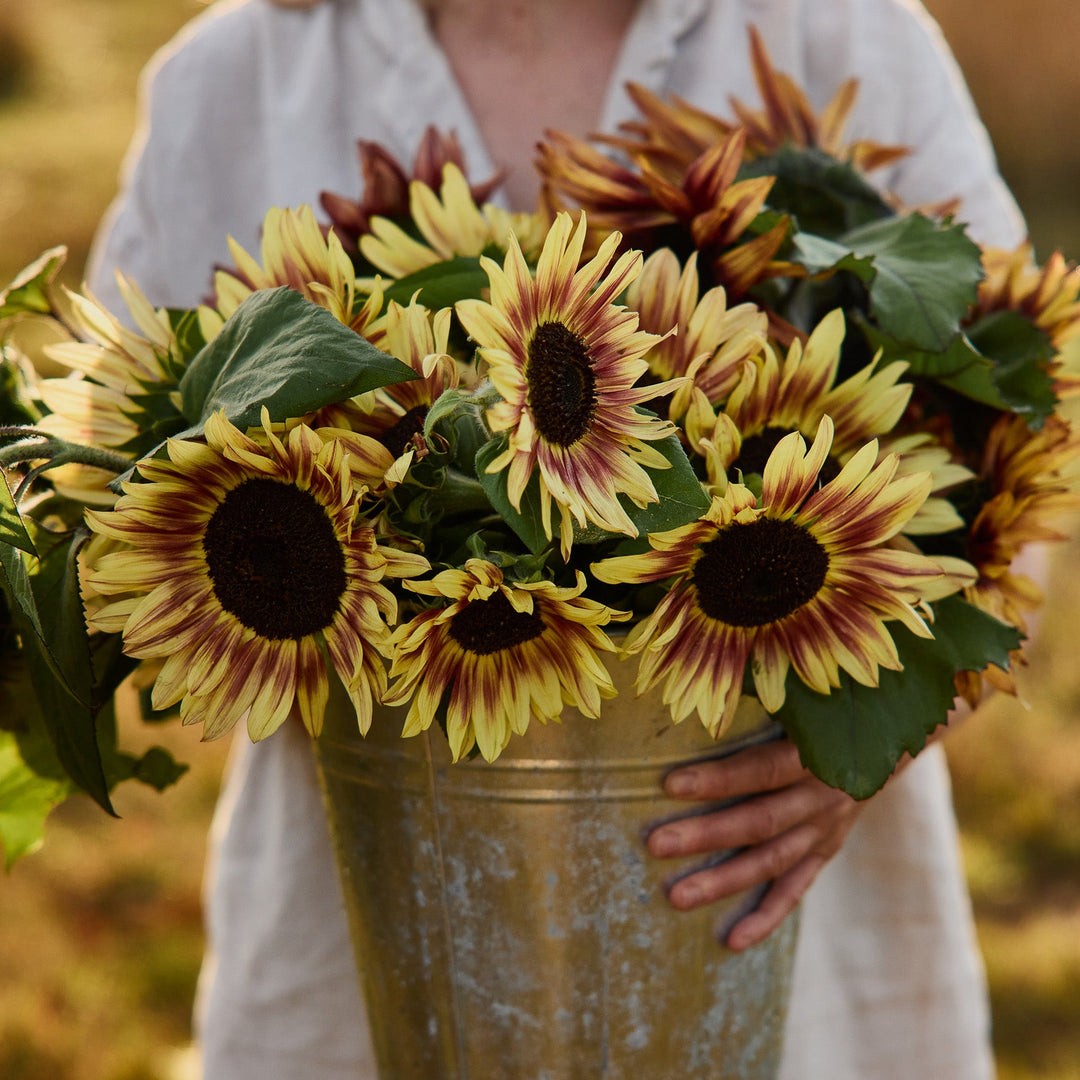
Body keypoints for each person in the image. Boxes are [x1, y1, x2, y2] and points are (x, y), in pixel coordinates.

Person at [87, 1, 1025, 1076]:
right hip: (361, 913)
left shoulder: (844, 33)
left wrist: (879, 736)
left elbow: (1017, 445)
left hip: (781, 898)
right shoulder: (231, 78)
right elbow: (131, 466)